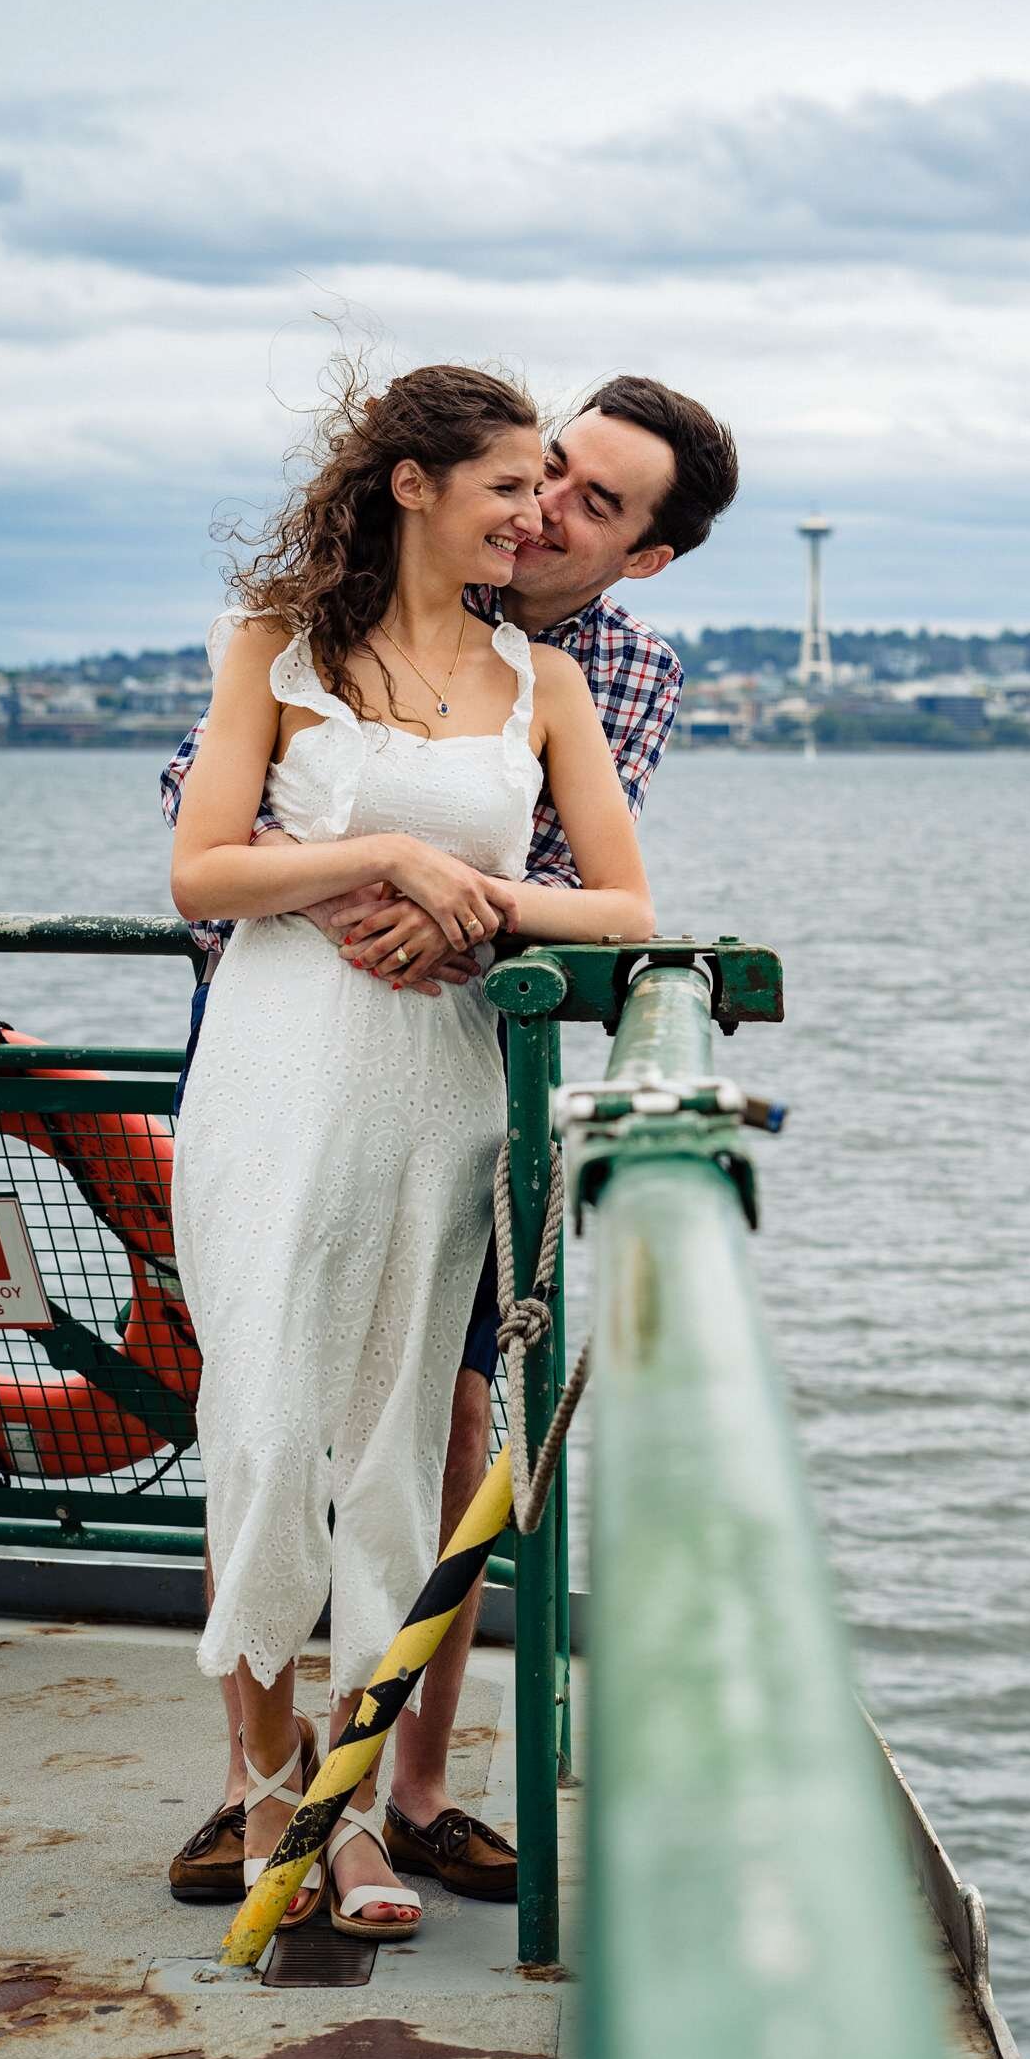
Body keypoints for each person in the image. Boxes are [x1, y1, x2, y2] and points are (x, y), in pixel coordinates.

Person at [163, 373, 739, 1908]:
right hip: (283, 1054)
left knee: (434, 1436)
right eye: (538, 476)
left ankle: (386, 1800)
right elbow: (204, 837)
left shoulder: (596, 675)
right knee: (267, 1428)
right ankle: (262, 1788)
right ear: (423, 485)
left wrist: (454, 916)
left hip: (445, 1063)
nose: (544, 508)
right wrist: (375, 864)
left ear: (643, 556)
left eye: (589, 502)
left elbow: (602, 893)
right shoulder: (284, 637)